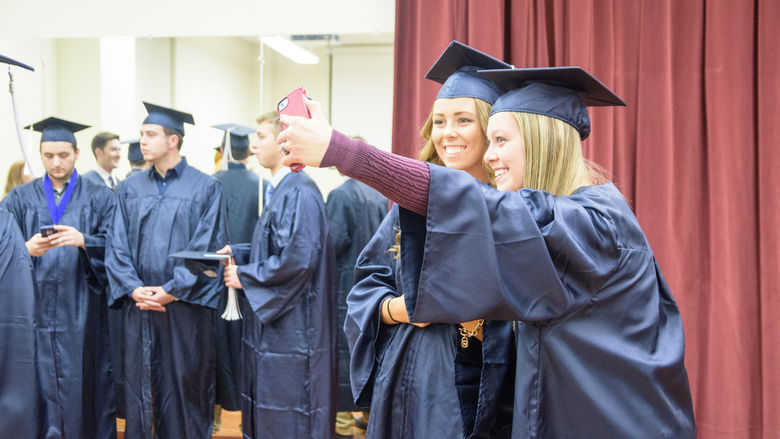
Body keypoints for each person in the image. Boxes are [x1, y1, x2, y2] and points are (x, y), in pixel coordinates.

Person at [277, 66, 697, 437]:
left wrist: (343, 151)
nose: (490, 154)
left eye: (498, 139)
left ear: (539, 142)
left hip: (609, 420)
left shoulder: (590, 223)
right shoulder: (578, 213)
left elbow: (482, 209)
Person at [344, 41, 515, 439]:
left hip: (480, 383)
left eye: (463, 120)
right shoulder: (409, 205)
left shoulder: (514, 207)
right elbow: (367, 287)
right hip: (405, 375)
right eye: (439, 122)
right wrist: (398, 310)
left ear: (492, 128)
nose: (447, 133)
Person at [106, 102, 227, 439]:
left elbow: (209, 250)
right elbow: (117, 246)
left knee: (185, 391)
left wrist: (172, 290)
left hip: (184, 312)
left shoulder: (205, 188)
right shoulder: (130, 188)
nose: (142, 141)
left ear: (173, 140)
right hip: (140, 307)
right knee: (139, 392)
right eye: (142, 134)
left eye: (150, 134)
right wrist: (133, 287)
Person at [220, 111, 336, 439]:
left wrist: (247, 276)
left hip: (296, 332)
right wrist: (241, 255)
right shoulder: (283, 190)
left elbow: (297, 259)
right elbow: (279, 248)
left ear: (284, 142)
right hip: (280, 330)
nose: (254, 144)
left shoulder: (298, 192)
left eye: (261, 136)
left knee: (291, 417)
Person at [0, 116, 117, 439]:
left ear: (77, 153)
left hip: (82, 310)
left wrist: (85, 241)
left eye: (63, 155)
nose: (55, 162)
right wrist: (25, 249)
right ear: (39, 153)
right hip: (32, 310)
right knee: (36, 384)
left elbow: (119, 251)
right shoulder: (19, 199)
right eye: (48, 155)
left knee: (83, 384)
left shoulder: (100, 197)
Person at [326, 136, 387, 438]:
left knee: (342, 352)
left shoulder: (341, 195)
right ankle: (363, 415)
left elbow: (333, 243)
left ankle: (343, 423)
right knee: (365, 348)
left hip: (344, 286)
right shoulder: (377, 194)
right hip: (373, 287)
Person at [211, 123, 271, 428]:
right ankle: (247, 409)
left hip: (212, 278)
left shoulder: (209, 183)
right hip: (248, 276)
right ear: (247, 150)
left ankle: (216, 414)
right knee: (244, 344)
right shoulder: (261, 185)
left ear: (222, 150)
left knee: (215, 344)